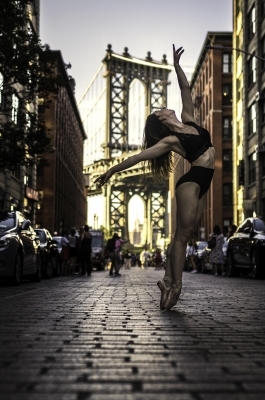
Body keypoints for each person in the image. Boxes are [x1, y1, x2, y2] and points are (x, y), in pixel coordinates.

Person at [95, 45, 215, 310]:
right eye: (162, 108)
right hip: (193, 180)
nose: (165, 106)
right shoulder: (172, 140)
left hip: (205, 179)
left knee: (180, 236)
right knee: (182, 237)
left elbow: (185, 90)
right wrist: (110, 171)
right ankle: (175, 286)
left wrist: (177, 66)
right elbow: (138, 158)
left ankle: (166, 280)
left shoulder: (189, 122)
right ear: (162, 119)